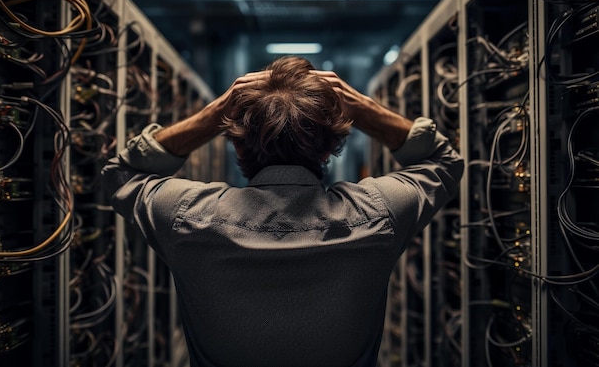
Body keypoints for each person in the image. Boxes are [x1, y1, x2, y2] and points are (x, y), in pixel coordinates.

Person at [101, 56, 464, 367]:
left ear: (238, 148)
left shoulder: (185, 214)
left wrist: (214, 114)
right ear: (328, 151)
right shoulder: (379, 212)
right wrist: (363, 109)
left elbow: (120, 173)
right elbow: (444, 161)